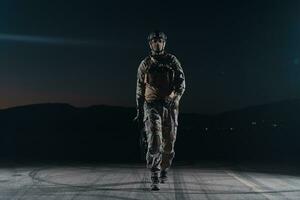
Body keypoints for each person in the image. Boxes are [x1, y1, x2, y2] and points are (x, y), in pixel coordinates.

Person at [133, 30, 186, 190]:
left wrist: (175, 97)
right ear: (150, 44)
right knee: (155, 140)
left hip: (169, 106)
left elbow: (182, 82)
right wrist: (138, 110)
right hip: (151, 105)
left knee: (169, 143)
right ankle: (154, 173)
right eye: (154, 41)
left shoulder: (172, 61)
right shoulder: (145, 63)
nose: (157, 43)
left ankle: (164, 168)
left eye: (160, 41)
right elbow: (139, 88)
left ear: (164, 43)